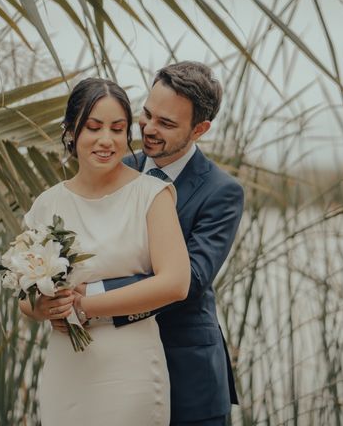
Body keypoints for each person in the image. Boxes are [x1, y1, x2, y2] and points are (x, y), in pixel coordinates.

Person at [51, 62, 244, 425]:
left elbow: (191, 279)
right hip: (113, 372)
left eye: (167, 124)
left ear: (200, 129)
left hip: (186, 373)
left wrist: (90, 298)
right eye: (148, 114)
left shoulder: (222, 192)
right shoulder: (117, 167)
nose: (149, 129)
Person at [19, 77, 191, 425]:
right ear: (71, 131)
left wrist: (85, 306)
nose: (106, 140)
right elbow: (25, 299)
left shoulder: (152, 194)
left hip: (131, 368)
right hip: (66, 367)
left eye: (117, 129)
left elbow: (176, 283)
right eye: (93, 127)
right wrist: (45, 307)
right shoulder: (47, 204)